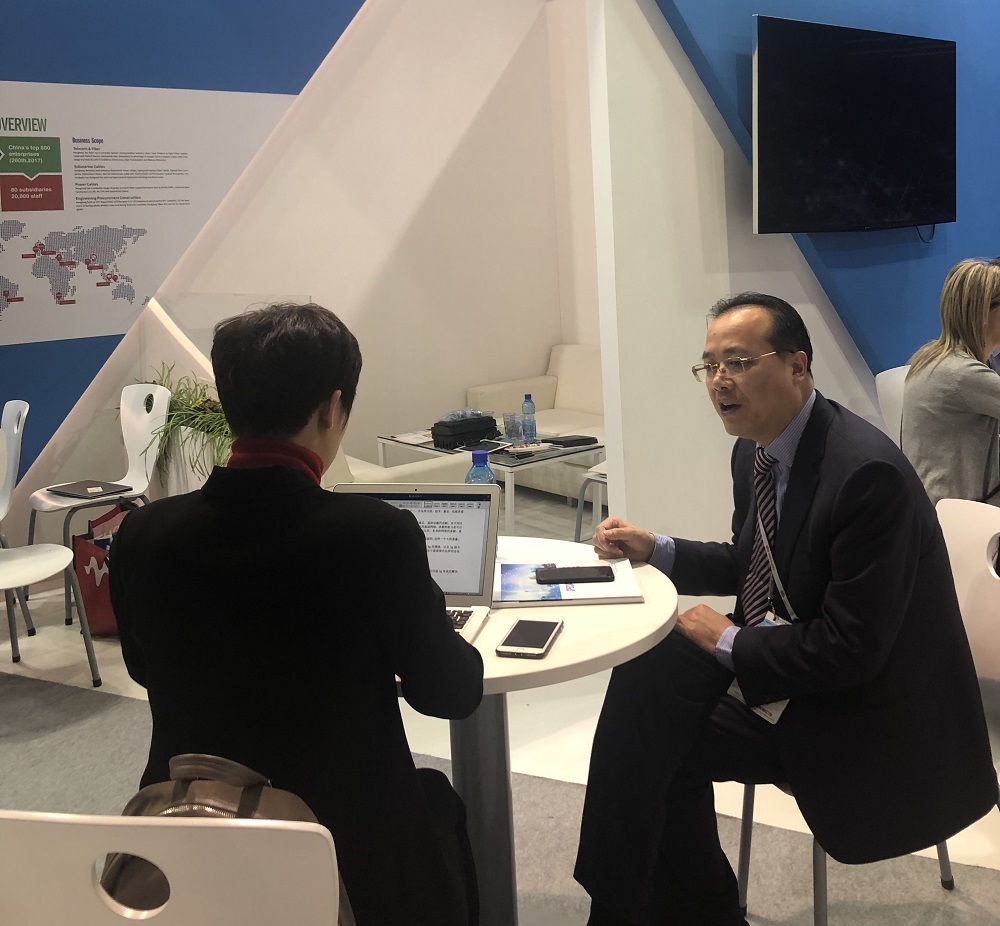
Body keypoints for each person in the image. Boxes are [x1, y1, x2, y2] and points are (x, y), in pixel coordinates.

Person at [573, 293, 998, 926]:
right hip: (791, 659)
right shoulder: (757, 449)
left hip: (859, 705)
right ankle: (653, 904)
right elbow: (753, 562)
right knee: (646, 672)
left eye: (739, 362)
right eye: (710, 365)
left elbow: (853, 651)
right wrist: (656, 548)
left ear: (797, 366)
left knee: (657, 738)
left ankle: (645, 906)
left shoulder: (865, 475)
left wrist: (728, 641)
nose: (720, 380)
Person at [109, 303, 484, 926]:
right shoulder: (375, 536)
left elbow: (144, 669)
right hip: (345, 853)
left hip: (187, 838)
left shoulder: (143, 533)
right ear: (331, 408)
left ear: (228, 403)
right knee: (438, 804)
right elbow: (450, 693)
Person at [902, 257, 1000, 506]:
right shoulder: (962, 375)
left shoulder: (933, 356)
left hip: (940, 505)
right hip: (965, 515)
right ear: (984, 313)